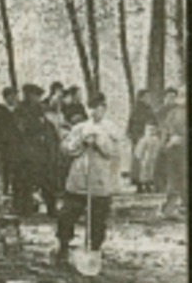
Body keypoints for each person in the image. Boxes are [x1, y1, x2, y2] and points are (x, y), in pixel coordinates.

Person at [56, 91, 121, 268]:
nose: (94, 112)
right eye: (91, 108)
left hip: (100, 181)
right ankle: (63, 246)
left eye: (98, 108)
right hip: (78, 180)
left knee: (97, 220)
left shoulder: (111, 129)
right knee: (66, 215)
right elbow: (67, 149)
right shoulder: (80, 127)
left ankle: (94, 251)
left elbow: (113, 152)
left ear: (104, 108)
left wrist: (99, 142)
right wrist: (81, 143)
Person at [10, 84, 60, 220]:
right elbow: (21, 130)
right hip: (27, 154)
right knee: (25, 182)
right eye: (35, 96)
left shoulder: (40, 110)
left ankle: (51, 208)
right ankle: (25, 208)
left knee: (48, 182)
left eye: (38, 96)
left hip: (42, 154)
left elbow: (48, 127)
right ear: (28, 95)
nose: (37, 99)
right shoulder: (20, 111)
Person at [159, 88, 187, 218]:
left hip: (185, 149)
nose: (182, 98)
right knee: (173, 179)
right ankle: (170, 208)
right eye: (181, 95)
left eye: (184, 95)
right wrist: (165, 145)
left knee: (184, 177)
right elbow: (165, 131)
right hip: (173, 150)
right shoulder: (172, 113)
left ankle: (183, 206)